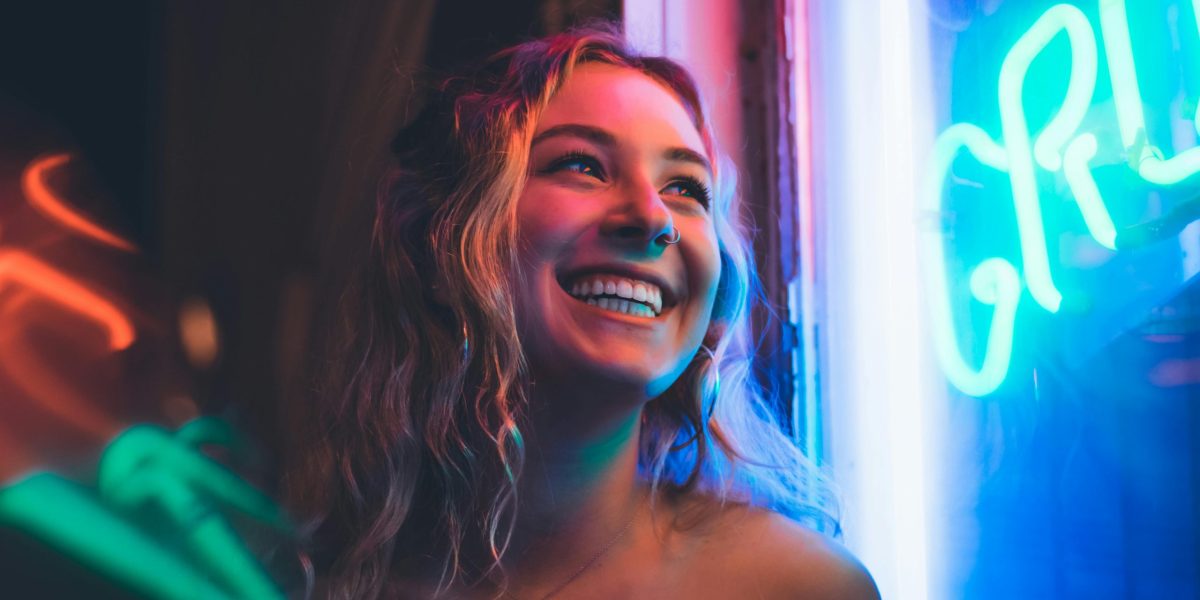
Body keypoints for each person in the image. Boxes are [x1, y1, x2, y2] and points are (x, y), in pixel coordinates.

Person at [284, 24, 879, 599]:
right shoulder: (321, 581)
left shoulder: (800, 588)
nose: (653, 218)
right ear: (442, 243)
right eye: (583, 166)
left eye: (686, 189)